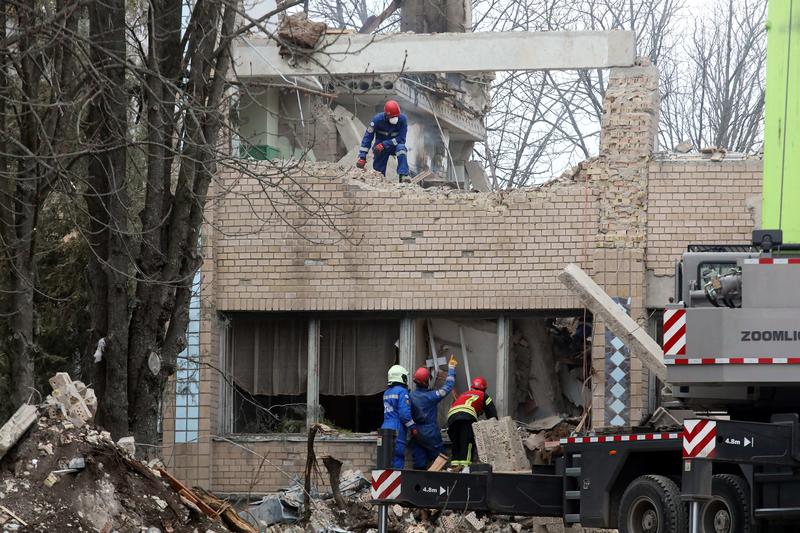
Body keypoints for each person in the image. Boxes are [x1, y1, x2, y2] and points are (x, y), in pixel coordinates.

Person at [409, 356, 458, 469]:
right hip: (431, 433)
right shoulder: (432, 396)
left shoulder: (410, 397)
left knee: (419, 465)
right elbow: (448, 386)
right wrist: (451, 368)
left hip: (416, 434)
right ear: (427, 381)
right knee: (440, 461)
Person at [446, 376, 498, 467]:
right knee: (467, 443)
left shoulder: (464, 394)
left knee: (456, 443)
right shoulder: (483, 395)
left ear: (472, 387)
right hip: (466, 417)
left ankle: (454, 470)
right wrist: (495, 427)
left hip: (451, 418)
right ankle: (465, 470)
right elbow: (492, 413)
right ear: (484, 389)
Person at [356, 100, 409, 181]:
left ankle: (403, 176)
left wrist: (385, 144)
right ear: (386, 116)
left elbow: (402, 139)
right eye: (392, 117)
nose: (395, 119)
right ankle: (379, 179)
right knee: (378, 174)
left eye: (396, 116)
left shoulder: (402, 120)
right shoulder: (377, 120)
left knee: (401, 148)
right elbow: (368, 137)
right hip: (380, 148)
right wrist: (362, 156)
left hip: (394, 147)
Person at [381, 364, 418, 468]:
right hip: (397, 429)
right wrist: (413, 427)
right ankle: (397, 482)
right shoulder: (402, 392)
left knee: (385, 460)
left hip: (385, 427)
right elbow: (404, 415)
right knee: (398, 458)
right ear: (402, 377)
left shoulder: (386, 393)